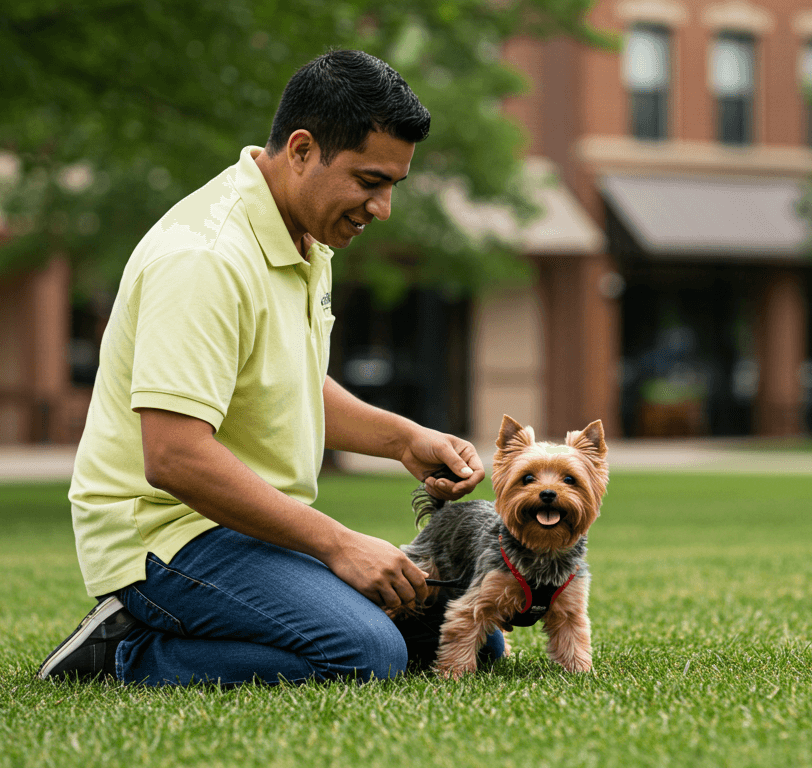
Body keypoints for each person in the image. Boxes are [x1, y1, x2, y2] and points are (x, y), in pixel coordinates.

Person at [37, 50, 497, 686]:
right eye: (369, 181)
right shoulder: (205, 258)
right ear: (303, 150)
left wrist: (403, 440)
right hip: (166, 538)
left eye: (393, 185)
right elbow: (173, 456)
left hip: (252, 529)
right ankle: (123, 652)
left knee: (461, 632)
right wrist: (340, 545)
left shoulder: (305, 235)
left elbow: (286, 382)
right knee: (368, 654)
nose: (383, 207)